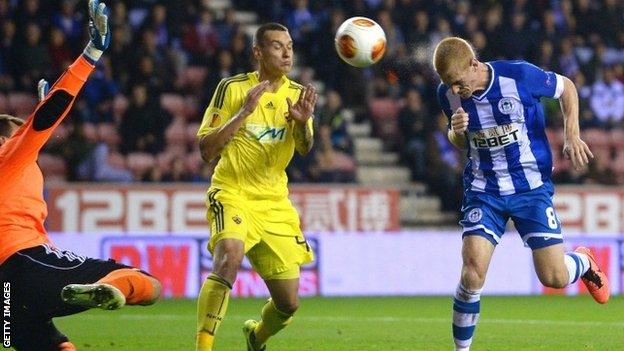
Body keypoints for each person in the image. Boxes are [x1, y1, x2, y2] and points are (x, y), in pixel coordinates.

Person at [0, 2, 161, 350]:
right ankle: (111, 288)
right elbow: (42, 122)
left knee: (46, 344)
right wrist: (91, 53)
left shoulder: (16, 167)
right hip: (24, 263)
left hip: (4, 293)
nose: (24, 136)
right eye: (17, 131)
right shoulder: (8, 155)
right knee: (149, 284)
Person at [433, 37, 610, 351]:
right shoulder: (447, 94)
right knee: (472, 272)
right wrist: (456, 132)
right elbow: (461, 141)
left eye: (460, 83)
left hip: (530, 189)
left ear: (473, 64)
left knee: (553, 277)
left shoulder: (517, 76)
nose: (457, 91)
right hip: (483, 190)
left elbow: (566, 86)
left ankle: (583, 262)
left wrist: (572, 134)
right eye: (450, 85)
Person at [195, 23, 317, 351]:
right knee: (229, 256)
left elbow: (305, 148)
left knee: (288, 303)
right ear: (258, 53)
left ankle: (257, 336)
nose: (287, 52)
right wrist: (244, 113)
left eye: (289, 45)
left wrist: (303, 123)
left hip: (274, 201)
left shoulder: (297, 95)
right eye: (278, 46)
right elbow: (207, 150)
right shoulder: (232, 89)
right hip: (232, 191)